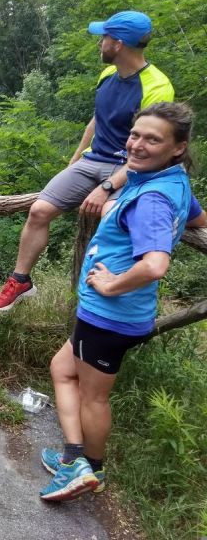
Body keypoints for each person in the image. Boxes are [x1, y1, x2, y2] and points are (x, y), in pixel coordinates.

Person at [39, 102, 205, 501]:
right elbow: (197, 218)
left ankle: (85, 467)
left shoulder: (152, 198)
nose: (138, 145)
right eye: (136, 134)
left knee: (93, 395)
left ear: (178, 147)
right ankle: (75, 458)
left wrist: (112, 285)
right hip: (125, 314)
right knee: (62, 368)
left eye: (153, 139)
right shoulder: (170, 181)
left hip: (109, 314)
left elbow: (155, 264)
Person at [0, 11, 174, 311]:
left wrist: (107, 186)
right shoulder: (107, 76)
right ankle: (20, 280)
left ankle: (106, 293)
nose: (99, 42)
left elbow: (149, 151)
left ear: (118, 43)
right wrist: (74, 161)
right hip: (93, 161)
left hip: (132, 168)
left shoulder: (157, 87)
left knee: (110, 215)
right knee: (38, 211)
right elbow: (97, 120)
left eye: (104, 37)